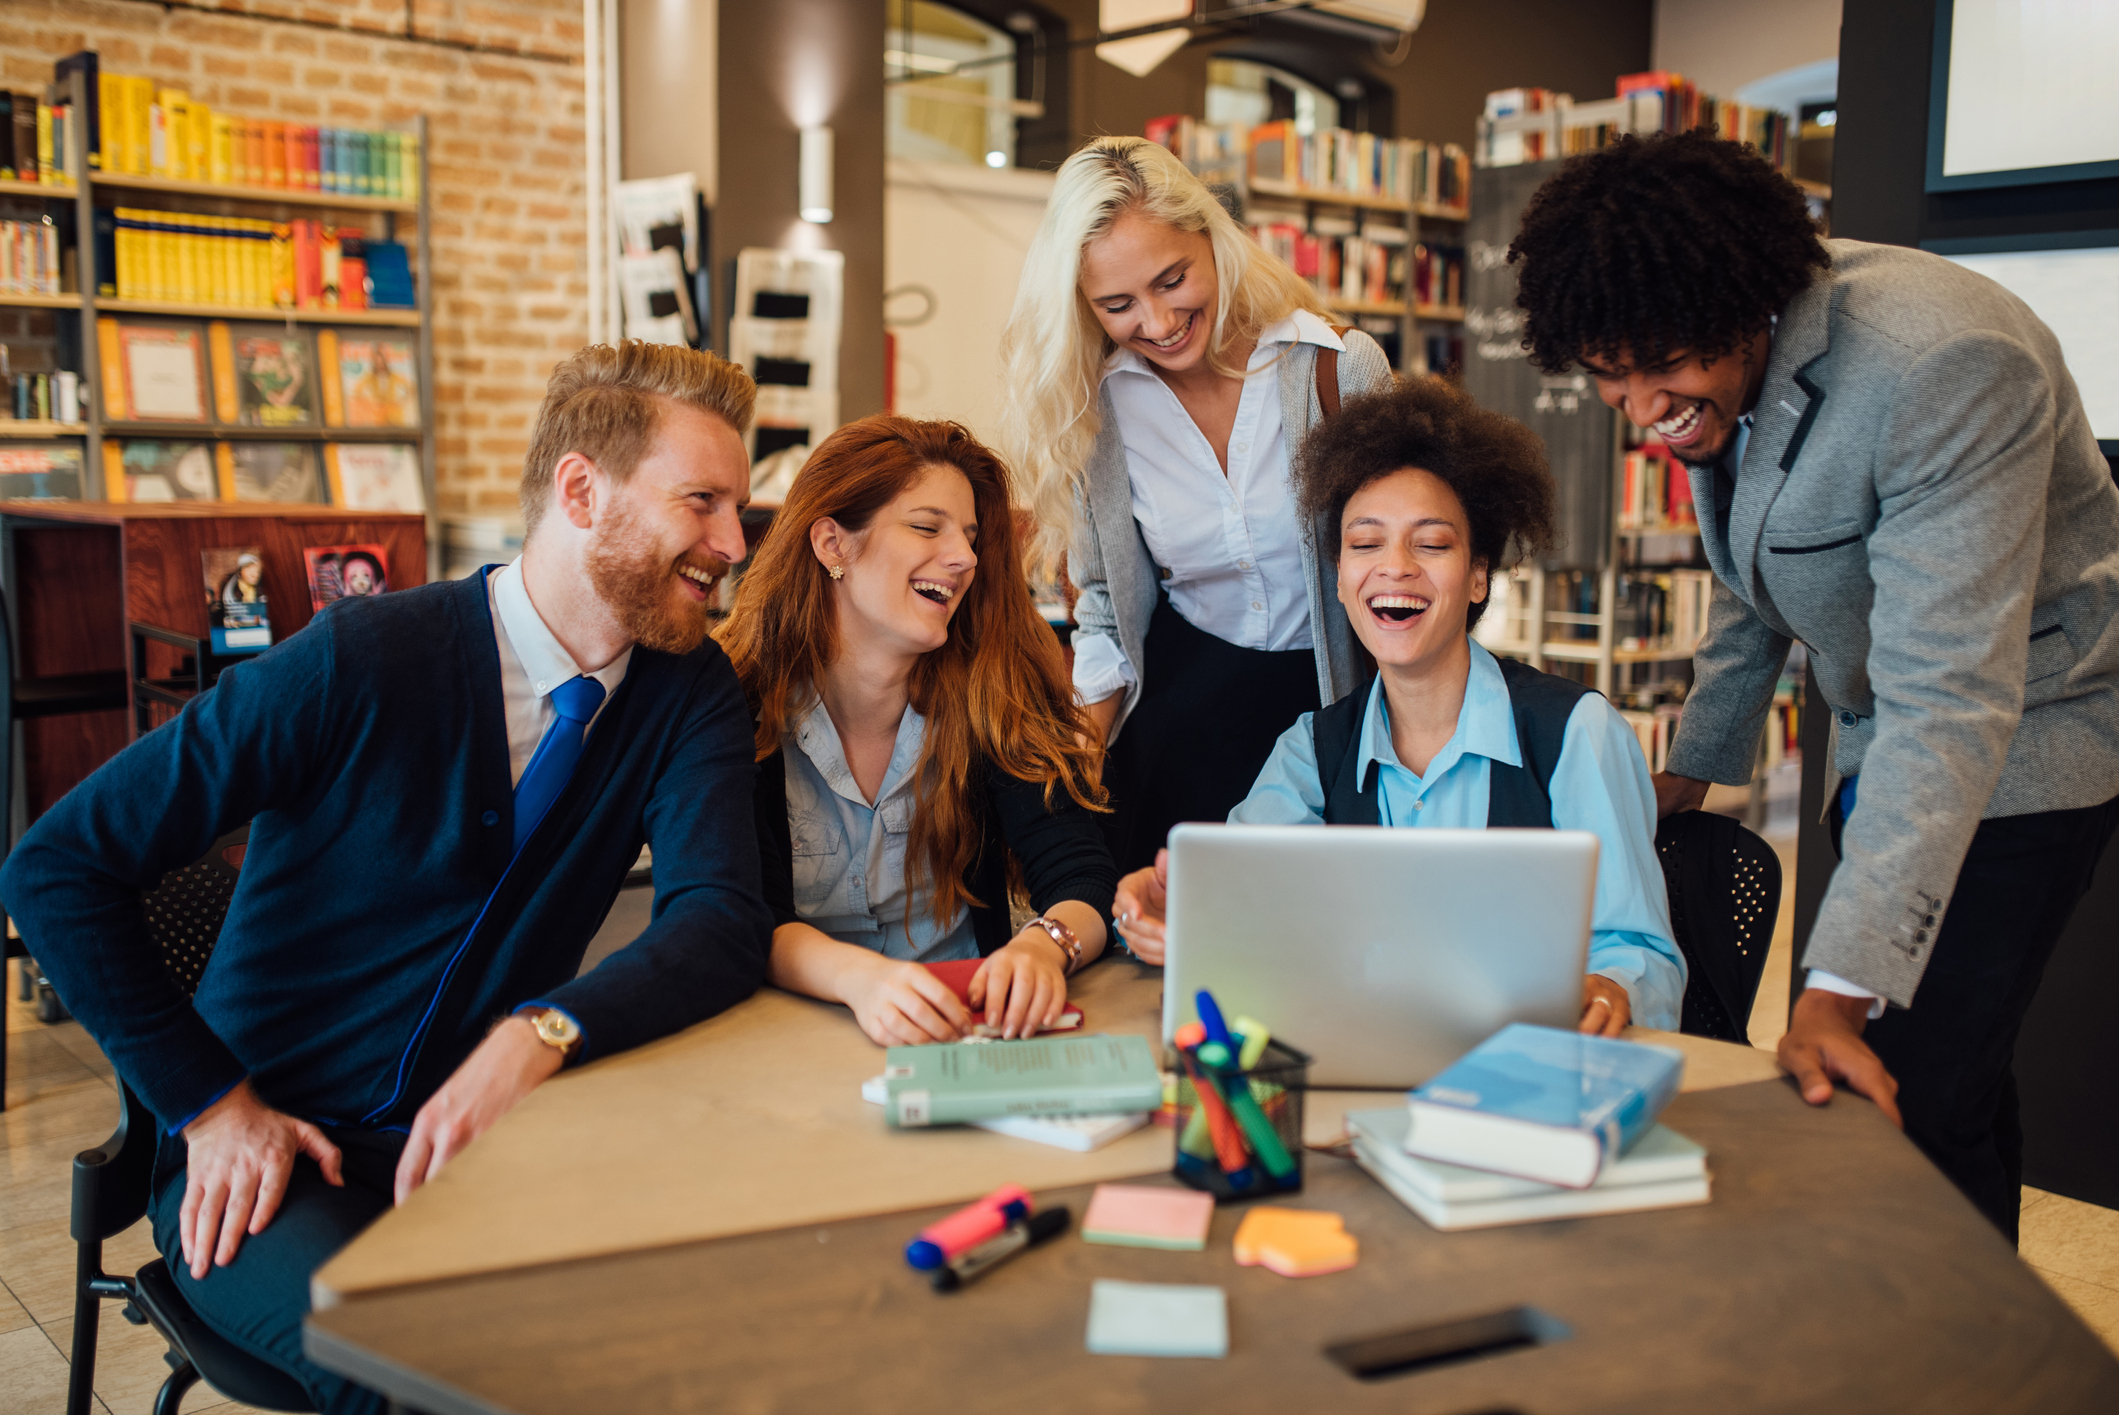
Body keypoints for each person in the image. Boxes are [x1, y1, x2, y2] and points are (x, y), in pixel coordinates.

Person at [0, 341, 775, 1413]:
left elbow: (720, 920)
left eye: (740, 507)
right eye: (702, 502)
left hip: (480, 1146)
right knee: (428, 1378)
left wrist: (539, 1029)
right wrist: (214, 1106)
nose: (733, 543)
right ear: (582, 491)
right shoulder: (359, 657)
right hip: (267, 1168)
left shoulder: (687, 690)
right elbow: (55, 867)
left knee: (682, 1333)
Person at [1505, 130, 2119, 1238]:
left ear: (1743, 304)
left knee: (1912, 1091)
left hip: (2026, 734)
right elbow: (1760, 576)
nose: (1641, 411)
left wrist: (1833, 992)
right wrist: (1692, 769)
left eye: (1662, 369)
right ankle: (1982, 1306)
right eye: (1609, 376)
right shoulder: (1715, 347)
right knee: (1950, 1074)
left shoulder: (1944, 365)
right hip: (1882, 740)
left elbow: (1950, 692)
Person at [1110, 378, 1686, 1034]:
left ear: (1477, 575)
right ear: (1338, 576)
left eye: (1431, 543)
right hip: (1359, 1076)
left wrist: (1612, 987)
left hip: (1523, 1080)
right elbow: (1239, 912)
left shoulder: (1577, 733)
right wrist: (1168, 910)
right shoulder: (1309, 750)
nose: (1395, 567)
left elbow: (1643, 954)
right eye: (1365, 543)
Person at [997, 136, 1394, 869]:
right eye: (1117, 304)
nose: (1155, 321)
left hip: (1334, 715)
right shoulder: (1099, 409)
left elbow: (1411, 565)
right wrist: (1078, 769)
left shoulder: (1336, 369)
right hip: (1178, 738)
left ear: (1213, 239)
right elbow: (1107, 615)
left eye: (1171, 279)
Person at [718, 416, 1118, 1046]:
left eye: (969, 537)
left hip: (966, 1032)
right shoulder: (733, 698)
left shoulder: (994, 686)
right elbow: (736, 913)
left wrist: (1044, 948)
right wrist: (864, 982)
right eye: (926, 527)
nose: (963, 558)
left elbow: (1081, 877)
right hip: (784, 1043)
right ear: (832, 545)